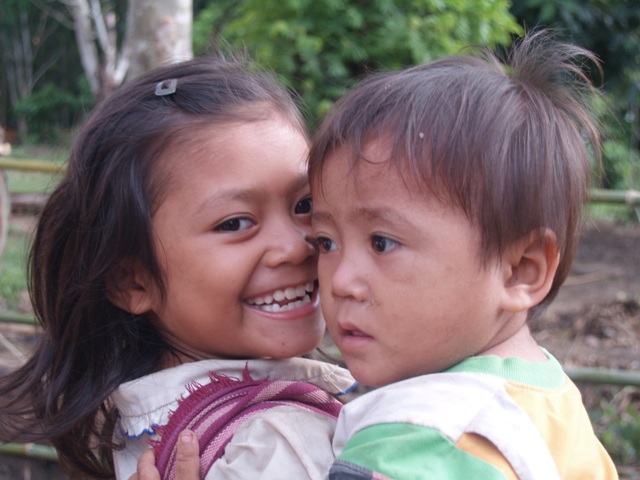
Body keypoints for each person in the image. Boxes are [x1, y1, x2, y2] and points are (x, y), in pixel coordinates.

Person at [136, 31, 619, 479]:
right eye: (326, 241)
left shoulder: (417, 441)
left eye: (383, 243)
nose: (339, 280)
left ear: (521, 270)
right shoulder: (552, 402)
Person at [0, 54, 355, 479]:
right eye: (235, 223)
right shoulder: (283, 439)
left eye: (305, 204)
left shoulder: (146, 424)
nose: (296, 247)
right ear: (133, 283)